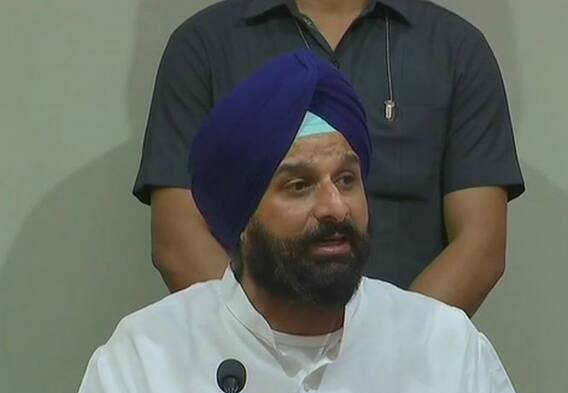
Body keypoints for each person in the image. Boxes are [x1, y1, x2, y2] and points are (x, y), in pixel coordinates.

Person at [69, 51, 529, 393]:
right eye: (299, 186)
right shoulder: (146, 359)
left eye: (346, 180)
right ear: (241, 217)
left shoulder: (447, 348)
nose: (334, 207)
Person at [133, 0, 525, 316]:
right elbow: (177, 240)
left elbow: (481, 244)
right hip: (246, 368)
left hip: (411, 369)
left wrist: (392, 351)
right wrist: (264, 347)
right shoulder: (203, 45)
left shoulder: (456, 49)